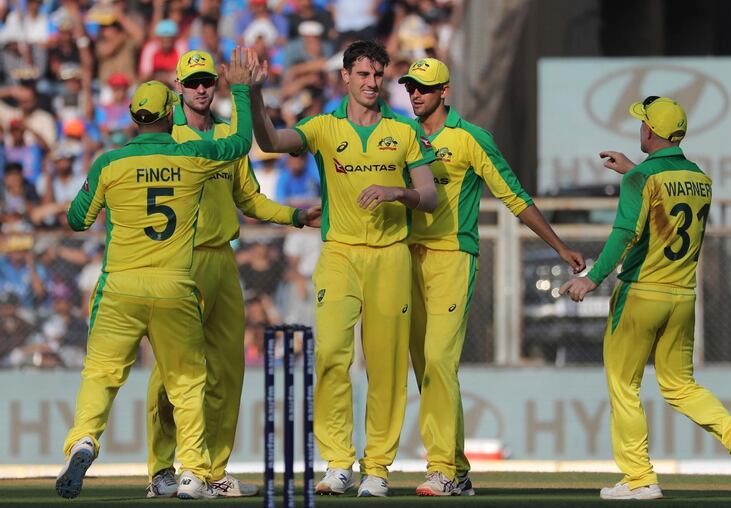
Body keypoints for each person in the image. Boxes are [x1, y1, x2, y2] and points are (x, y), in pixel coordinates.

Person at [55, 48, 255, 501]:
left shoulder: (109, 162)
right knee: (187, 383)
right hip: (175, 286)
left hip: (120, 286)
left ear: (133, 116)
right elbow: (241, 143)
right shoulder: (193, 156)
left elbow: (76, 219)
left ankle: (84, 438)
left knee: (102, 373)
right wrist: (240, 91)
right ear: (171, 114)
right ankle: (193, 474)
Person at [250, 40, 439, 497]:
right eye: (363, 75)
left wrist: (398, 194)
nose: (372, 83)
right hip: (338, 255)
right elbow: (271, 142)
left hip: (391, 255)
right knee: (332, 354)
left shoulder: (405, 132)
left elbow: (429, 197)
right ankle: (339, 463)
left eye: (378, 75)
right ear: (345, 78)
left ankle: (377, 467)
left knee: (386, 365)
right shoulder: (323, 127)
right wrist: (253, 95)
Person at [559, 96, 731, 500]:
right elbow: (668, 204)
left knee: (623, 386)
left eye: (642, 123)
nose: (640, 129)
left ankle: (639, 479)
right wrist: (635, 171)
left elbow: (626, 232)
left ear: (650, 132)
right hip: (682, 297)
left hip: (640, 293)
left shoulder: (641, 180)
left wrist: (592, 278)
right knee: (680, 385)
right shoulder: (701, 179)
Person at [400, 58, 585, 496]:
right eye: (410, 87)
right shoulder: (402, 135)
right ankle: (458, 470)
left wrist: (559, 246)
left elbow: (514, 197)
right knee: (427, 367)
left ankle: (442, 468)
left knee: (440, 363)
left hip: (453, 256)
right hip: (406, 259)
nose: (415, 95)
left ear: (445, 91)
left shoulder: (470, 138)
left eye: (424, 88)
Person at [144, 49, 321, 499]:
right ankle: (164, 468)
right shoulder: (169, 137)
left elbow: (251, 200)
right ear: (179, 88)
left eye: (208, 80)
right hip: (179, 262)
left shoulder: (229, 137)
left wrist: (295, 216)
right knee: (171, 373)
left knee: (227, 370)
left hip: (222, 260)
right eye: (193, 81)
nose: (202, 88)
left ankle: (211, 469)